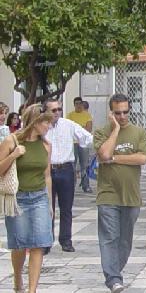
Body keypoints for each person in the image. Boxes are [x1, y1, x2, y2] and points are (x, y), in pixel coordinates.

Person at [94, 93, 146, 293]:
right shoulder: (102, 132)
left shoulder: (139, 132)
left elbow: (142, 158)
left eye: (126, 112)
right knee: (109, 237)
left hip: (131, 196)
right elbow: (104, 155)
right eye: (117, 113)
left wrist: (116, 158)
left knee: (125, 240)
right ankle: (113, 279)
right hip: (108, 195)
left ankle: (115, 271)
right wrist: (115, 130)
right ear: (111, 113)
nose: (122, 116)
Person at [0, 105, 55, 293]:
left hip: (39, 196)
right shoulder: (11, 141)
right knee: (19, 244)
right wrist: (14, 155)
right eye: (45, 122)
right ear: (33, 122)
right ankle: (17, 279)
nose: (49, 126)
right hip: (18, 198)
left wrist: (49, 203)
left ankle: (33, 292)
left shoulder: (46, 146)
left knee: (39, 243)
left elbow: (47, 175)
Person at [44, 99, 93, 253]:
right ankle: (46, 241)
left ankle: (66, 240)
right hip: (47, 170)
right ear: (45, 111)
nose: (57, 112)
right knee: (47, 207)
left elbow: (86, 137)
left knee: (66, 208)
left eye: (59, 109)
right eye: (53, 110)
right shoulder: (41, 126)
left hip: (65, 168)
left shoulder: (68, 124)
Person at [67, 96, 93, 193]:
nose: (78, 105)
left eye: (80, 103)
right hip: (73, 143)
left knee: (85, 165)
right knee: (72, 165)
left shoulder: (87, 115)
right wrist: (81, 128)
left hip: (84, 144)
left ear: (82, 104)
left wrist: (78, 129)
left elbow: (89, 129)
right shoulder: (70, 115)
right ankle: (71, 186)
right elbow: (69, 129)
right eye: (76, 104)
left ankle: (86, 185)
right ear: (74, 105)